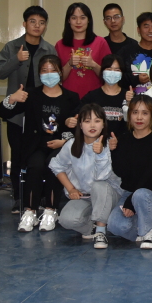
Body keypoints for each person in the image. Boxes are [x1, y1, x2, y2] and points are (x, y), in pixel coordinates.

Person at [0, 55, 80, 232]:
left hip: (61, 146)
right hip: (35, 145)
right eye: (44, 71)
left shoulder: (71, 97)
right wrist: (12, 99)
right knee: (35, 166)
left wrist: (65, 140)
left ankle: (51, 210)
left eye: (53, 70)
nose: (49, 74)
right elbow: (3, 113)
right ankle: (30, 211)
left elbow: (79, 128)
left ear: (60, 72)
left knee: (54, 165)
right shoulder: (31, 95)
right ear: (39, 74)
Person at [0, 5, 57, 213]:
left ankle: (40, 196)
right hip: (16, 112)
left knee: (40, 153)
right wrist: (16, 60)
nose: (37, 26)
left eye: (41, 22)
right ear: (24, 24)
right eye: (32, 22)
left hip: (40, 112)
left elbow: (55, 78)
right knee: (18, 154)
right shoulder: (12, 47)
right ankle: (18, 197)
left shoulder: (49, 49)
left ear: (45, 26)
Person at [50, 104, 121, 249]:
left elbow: (101, 177)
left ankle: (100, 231)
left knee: (99, 185)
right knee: (66, 220)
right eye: (87, 121)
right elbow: (56, 166)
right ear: (80, 125)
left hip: (109, 195)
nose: (92, 125)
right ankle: (92, 228)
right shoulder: (71, 144)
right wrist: (71, 189)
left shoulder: (110, 145)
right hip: (85, 196)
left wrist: (100, 154)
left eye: (97, 121)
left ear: (103, 124)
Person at [107, 95, 152, 249]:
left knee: (140, 194)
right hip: (129, 193)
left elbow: (150, 176)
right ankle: (145, 227)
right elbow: (120, 172)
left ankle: (148, 234)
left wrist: (131, 202)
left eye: (145, 113)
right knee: (114, 226)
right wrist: (114, 151)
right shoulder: (123, 139)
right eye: (135, 112)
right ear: (129, 115)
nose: (139, 117)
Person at [55, 2, 111, 98]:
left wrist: (93, 65)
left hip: (95, 98)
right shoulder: (60, 45)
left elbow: (110, 76)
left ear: (89, 20)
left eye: (82, 18)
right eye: (74, 18)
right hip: (68, 98)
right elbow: (57, 78)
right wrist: (69, 64)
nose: (78, 22)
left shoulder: (100, 42)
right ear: (68, 20)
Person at [121, 12, 152, 96]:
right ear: (138, 30)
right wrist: (136, 79)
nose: (150, 30)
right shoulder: (125, 52)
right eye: (146, 26)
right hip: (132, 101)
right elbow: (118, 77)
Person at [81, 55, 130, 139]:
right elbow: (78, 115)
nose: (112, 73)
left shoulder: (129, 96)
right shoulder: (92, 96)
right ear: (102, 71)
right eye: (109, 69)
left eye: (117, 70)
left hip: (123, 142)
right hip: (96, 142)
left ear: (122, 73)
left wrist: (130, 103)